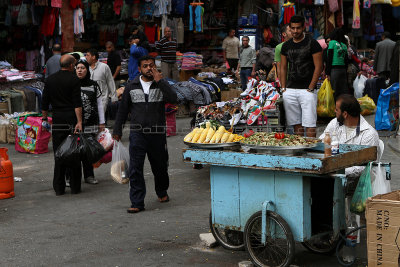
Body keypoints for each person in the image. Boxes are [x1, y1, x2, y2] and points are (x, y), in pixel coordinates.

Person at [113, 55, 177, 214]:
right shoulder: (131, 86)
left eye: (151, 65)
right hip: (138, 133)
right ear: (140, 69)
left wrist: (160, 81)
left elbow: (174, 99)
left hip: (157, 133)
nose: (149, 68)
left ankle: (162, 191)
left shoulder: (161, 84)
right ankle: (136, 201)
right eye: (145, 66)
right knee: (135, 168)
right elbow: (123, 110)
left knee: (160, 166)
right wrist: (117, 130)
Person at [42, 55, 83, 195]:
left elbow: (44, 101)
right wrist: (79, 121)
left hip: (58, 119)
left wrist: (45, 118)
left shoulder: (50, 80)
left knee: (59, 153)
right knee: (74, 152)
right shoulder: (74, 80)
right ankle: (75, 187)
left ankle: (59, 188)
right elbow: (77, 104)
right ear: (71, 65)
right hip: (71, 119)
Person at [280, 15, 323, 137]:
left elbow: (319, 67)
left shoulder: (313, 43)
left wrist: (311, 87)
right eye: (292, 28)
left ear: (303, 27)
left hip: (307, 90)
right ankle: (300, 151)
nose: (295, 31)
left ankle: (310, 151)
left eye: (298, 28)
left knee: (310, 123)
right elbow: (282, 67)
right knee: (295, 123)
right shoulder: (286, 46)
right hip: (290, 89)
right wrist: (283, 88)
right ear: (289, 28)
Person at [319, 94, 379, 181]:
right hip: (333, 172)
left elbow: (365, 167)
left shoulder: (369, 134)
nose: (334, 111)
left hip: (358, 182)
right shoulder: (334, 123)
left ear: (345, 114)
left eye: (337, 110)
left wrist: (339, 171)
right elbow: (322, 140)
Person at [75, 60, 105, 185]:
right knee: (74, 151)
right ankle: (72, 177)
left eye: (82, 68)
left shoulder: (93, 85)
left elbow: (99, 105)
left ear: (87, 70)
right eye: (77, 68)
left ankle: (89, 176)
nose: (80, 70)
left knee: (88, 150)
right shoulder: (72, 84)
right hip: (75, 123)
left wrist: (102, 122)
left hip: (90, 123)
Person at [85, 49, 117, 117]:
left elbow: (110, 81)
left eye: (87, 55)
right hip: (88, 100)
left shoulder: (104, 67)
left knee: (100, 118)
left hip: (102, 99)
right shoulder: (85, 68)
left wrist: (114, 97)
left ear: (93, 57)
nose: (86, 57)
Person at [326, 28, 349, 99]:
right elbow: (346, 60)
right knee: (343, 90)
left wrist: (328, 73)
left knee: (334, 90)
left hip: (334, 70)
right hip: (343, 70)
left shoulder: (332, 43)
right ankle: (343, 106)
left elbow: (329, 58)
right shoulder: (344, 45)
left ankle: (335, 107)